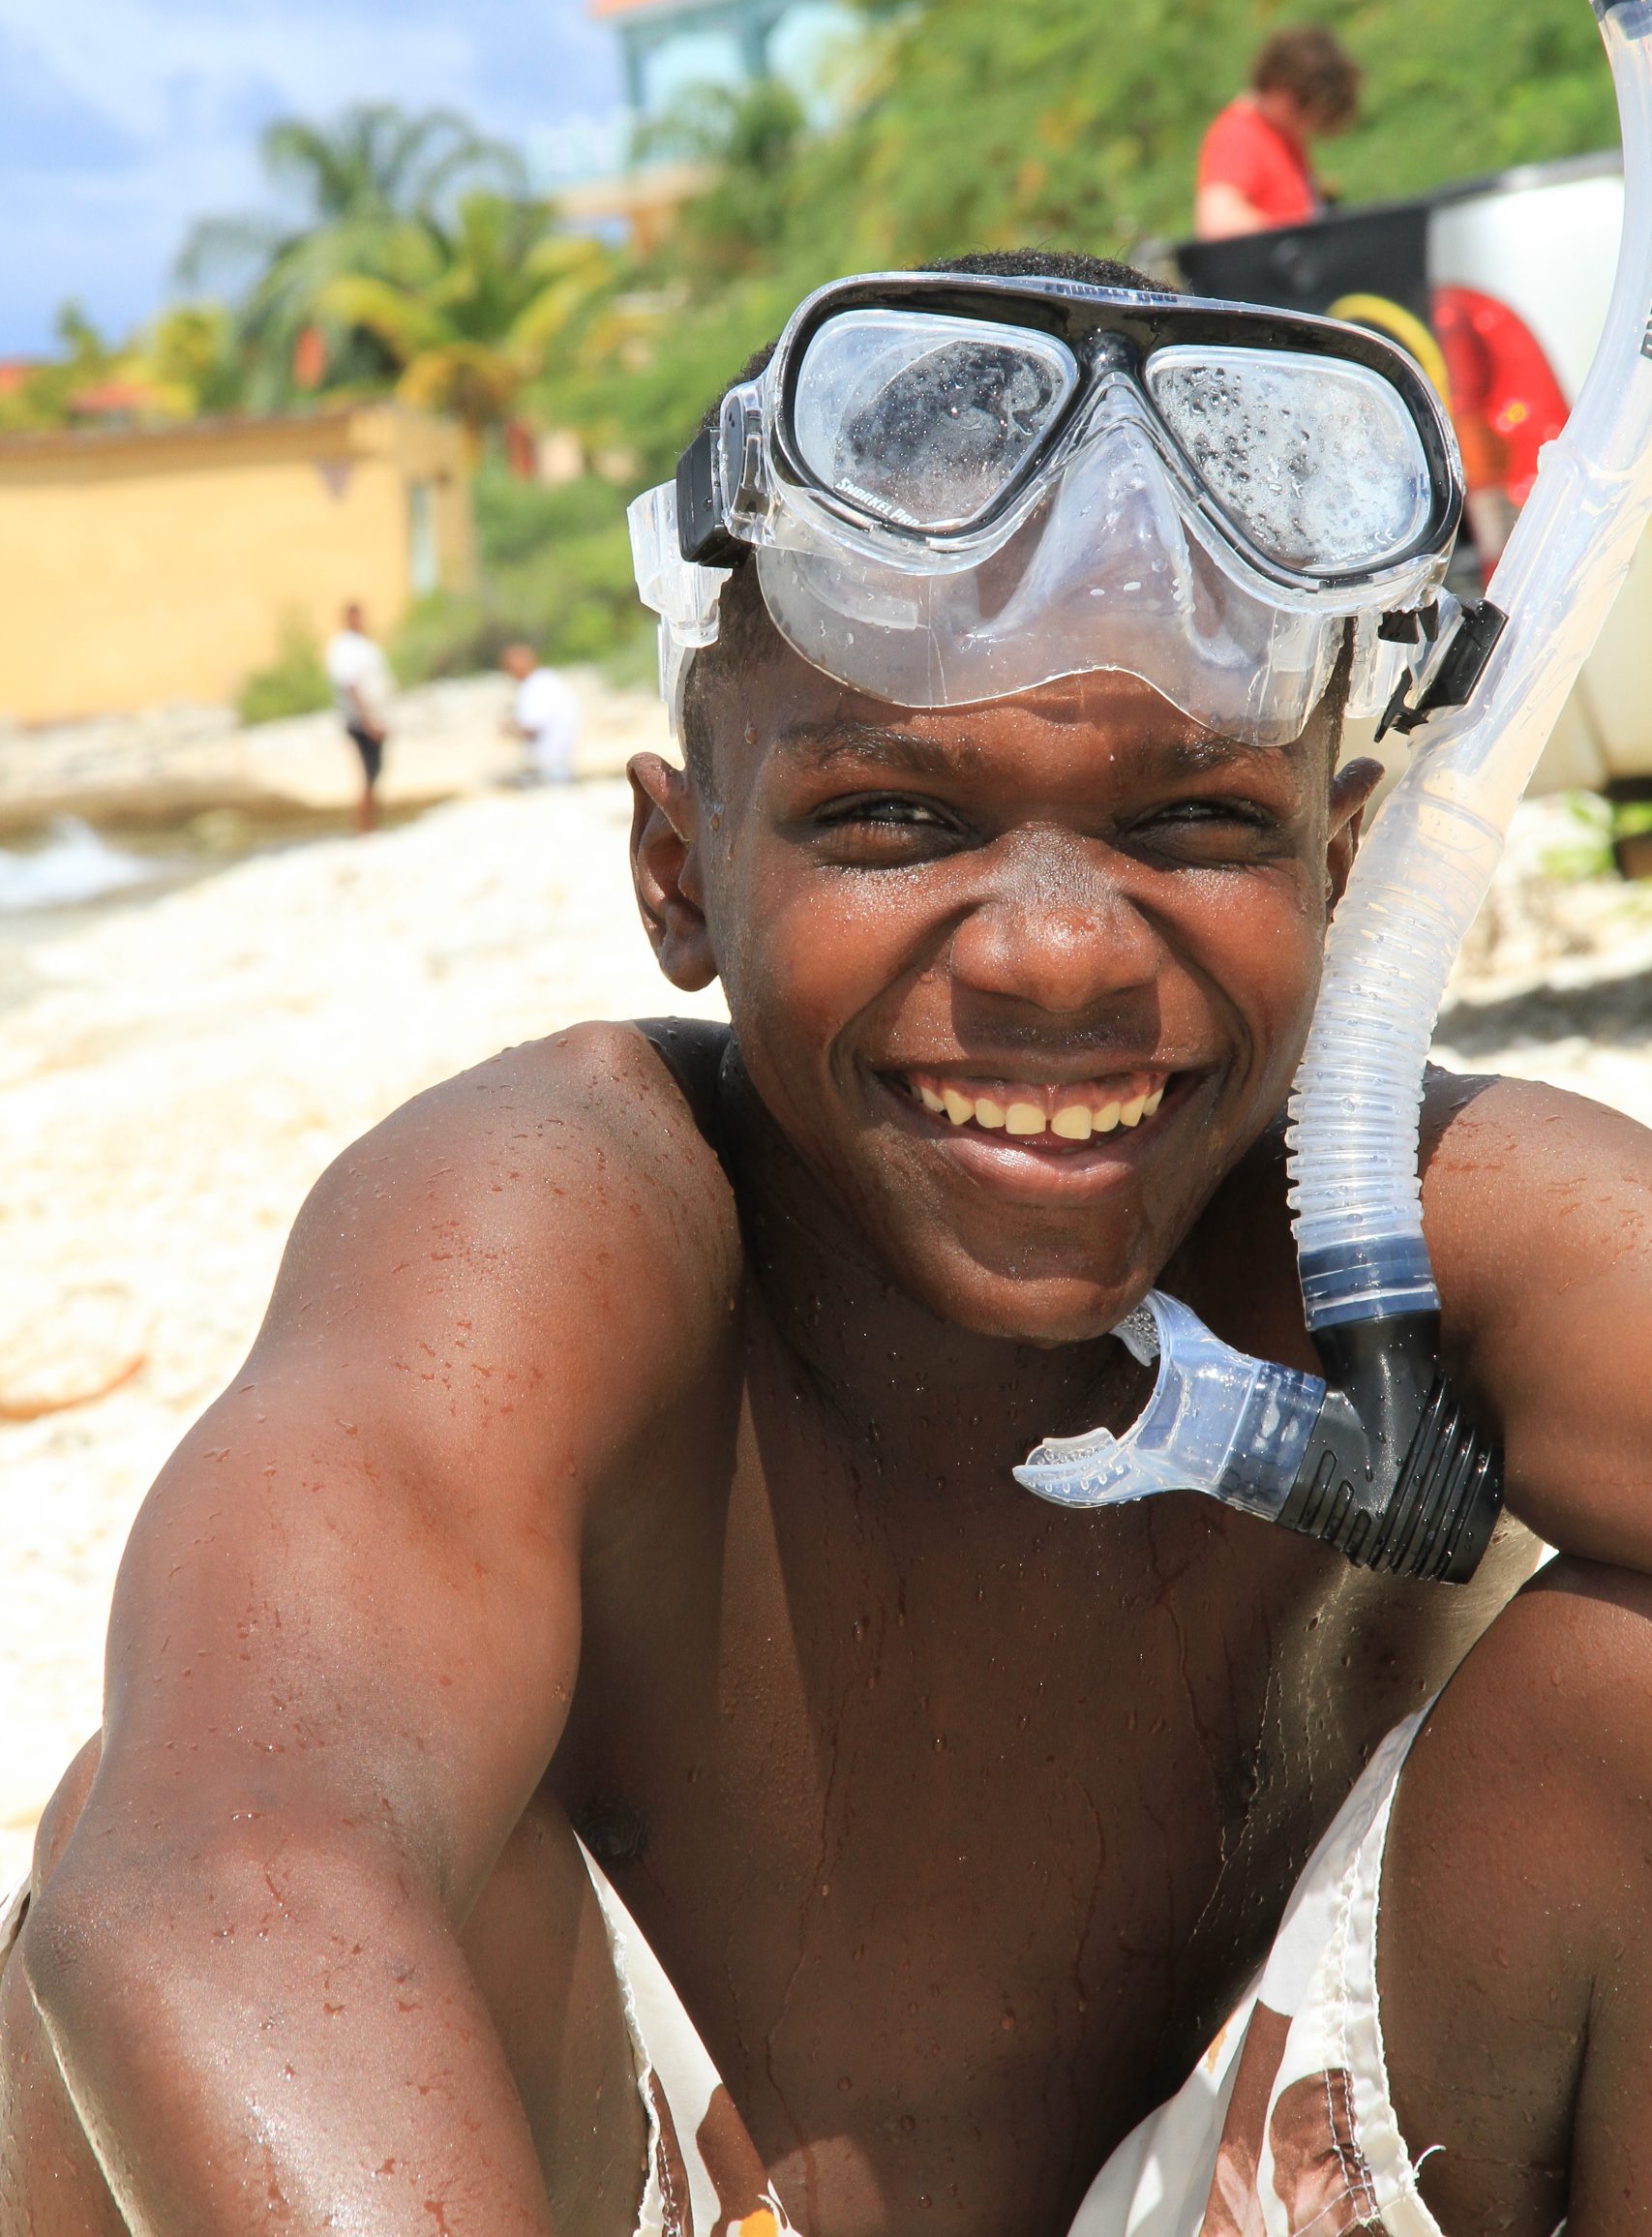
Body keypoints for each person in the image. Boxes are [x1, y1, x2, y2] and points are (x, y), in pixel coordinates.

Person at [6, 251, 1652, 2237]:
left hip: (1245, 2181)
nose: (1058, 952)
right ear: (677, 872)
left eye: (1196, 825)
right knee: (146, 1843)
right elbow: (218, 1869)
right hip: (630, 2188)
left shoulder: (1418, 1218)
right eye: (893, 821)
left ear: (1347, 865)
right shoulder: (552, 1219)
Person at [1193, 26, 1361, 241]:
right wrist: (1299, 240)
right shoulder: (1238, 136)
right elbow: (1219, 223)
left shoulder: (1280, 134)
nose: (1309, 125)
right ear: (1282, 93)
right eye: (1306, 111)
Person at [324, 600, 394, 832]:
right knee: (369, 772)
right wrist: (367, 720)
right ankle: (365, 827)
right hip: (360, 720)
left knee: (375, 772)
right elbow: (350, 685)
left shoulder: (365, 646)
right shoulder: (343, 648)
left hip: (375, 717)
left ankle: (370, 825)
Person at [500, 640, 581, 785]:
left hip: (550, 763)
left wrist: (509, 729)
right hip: (564, 759)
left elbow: (531, 728)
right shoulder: (548, 679)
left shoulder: (533, 687)